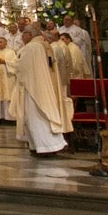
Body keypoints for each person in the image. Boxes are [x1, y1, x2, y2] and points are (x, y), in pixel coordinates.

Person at [13, 25, 69, 156]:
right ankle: (41, 145)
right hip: (43, 84)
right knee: (41, 115)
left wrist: (14, 64)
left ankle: (45, 147)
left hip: (33, 87)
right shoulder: (44, 45)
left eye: (24, 34)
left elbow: (21, 67)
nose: (22, 37)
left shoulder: (31, 48)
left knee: (35, 116)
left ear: (29, 35)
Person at [0, 34, 17, 123]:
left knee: (7, 98)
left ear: (6, 43)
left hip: (7, 78)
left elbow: (15, 63)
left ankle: (9, 118)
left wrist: (5, 62)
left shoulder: (11, 52)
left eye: (1, 42)